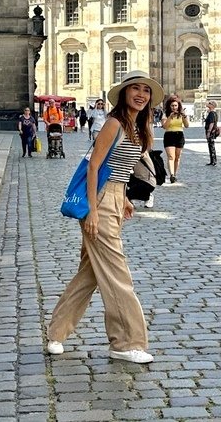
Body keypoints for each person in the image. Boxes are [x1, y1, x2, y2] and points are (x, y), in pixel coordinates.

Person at [46, 70, 158, 364]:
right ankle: (125, 342)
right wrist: (94, 211)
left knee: (91, 272)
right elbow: (94, 166)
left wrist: (123, 198)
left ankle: (56, 333)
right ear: (123, 94)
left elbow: (119, 168)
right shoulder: (114, 124)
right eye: (134, 89)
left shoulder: (138, 127)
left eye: (145, 91)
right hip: (99, 201)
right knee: (117, 274)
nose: (141, 95)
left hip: (114, 199)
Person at [161, 96, 187, 183]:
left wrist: (185, 117)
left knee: (177, 157)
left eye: (175, 105)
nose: (174, 107)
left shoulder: (181, 114)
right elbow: (165, 126)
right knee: (171, 156)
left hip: (179, 135)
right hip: (169, 135)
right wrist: (170, 117)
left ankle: (175, 174)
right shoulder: (165, 114)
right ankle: (171, 175)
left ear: (178, 106)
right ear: (169, 106)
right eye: (172, 105)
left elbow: (187, 125)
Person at [204, 100, 219, 166]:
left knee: (211, 146)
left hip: (211, 131)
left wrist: (208, 132)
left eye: (209, 103)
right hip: (212, 131)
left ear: (213, 105)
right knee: (211, 145)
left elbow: (212, 123)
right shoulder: (214, 113)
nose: (208, 104)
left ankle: (213, 161)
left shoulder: (211, 113)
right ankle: (212, 160)